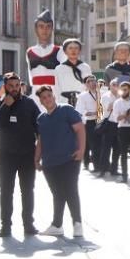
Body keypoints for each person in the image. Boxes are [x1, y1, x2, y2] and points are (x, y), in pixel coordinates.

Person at [0, 73, 40, 238]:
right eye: (11, 86)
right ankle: (6, 226)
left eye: (17, 85)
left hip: (27, 154)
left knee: (28, 190)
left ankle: (28, 224)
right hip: (6, 154)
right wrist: (6, 106)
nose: (15, 89)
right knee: (6, 191)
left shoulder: (30, 103)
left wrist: (41, 151)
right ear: (5, 87)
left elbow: (39, 126)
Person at [34, 87, 85, 239]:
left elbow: (80, 129)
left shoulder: (66, 110)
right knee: (57, 193)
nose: (47, 99)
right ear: (41, 101)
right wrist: (36, 159)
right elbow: (41, 140)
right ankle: (57, 225)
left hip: (69, 159)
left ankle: (77, 224)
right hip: (49, 162)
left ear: (54, 96)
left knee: (71, 190)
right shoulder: (41, 118)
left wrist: (81, 150)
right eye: (44, 97)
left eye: (49, 95)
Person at [26, 9, 65, 101]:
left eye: (48, 27)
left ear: (52, 29)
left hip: (54, 94)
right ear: (36, 29)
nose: (45, 30)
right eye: (41, 26)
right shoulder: (30, 52)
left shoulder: (59, 51)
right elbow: (31, 77)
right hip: (36, 95)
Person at [74, 76, 101, 172]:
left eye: (93, 80)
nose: (92, 83)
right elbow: (80, 111)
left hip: (100, 121)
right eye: (89, 81)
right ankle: (94, 165)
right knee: (91, 144)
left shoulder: (101, 93)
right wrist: (92, 113)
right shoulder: (83, 96)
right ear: (86, 84)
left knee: (99, 144)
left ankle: (100, 164)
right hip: (89, 122)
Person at [55, 39, 91, 108]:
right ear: (65, 51)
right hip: (64, 103)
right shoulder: (59, 69)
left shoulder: (85, 67)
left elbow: (89, 87)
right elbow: (56, 89)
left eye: (76, 48)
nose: (73, 50)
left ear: (80, 51)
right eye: (70, 48)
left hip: (82, 102)